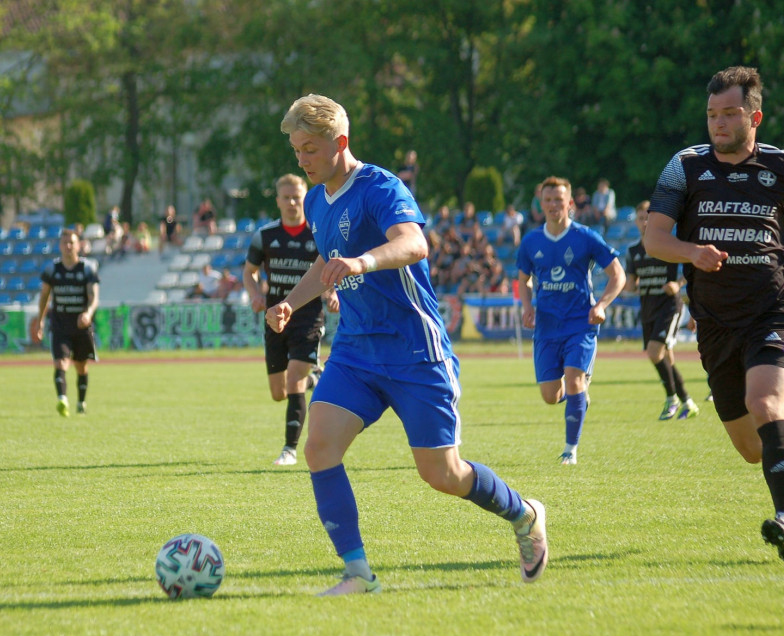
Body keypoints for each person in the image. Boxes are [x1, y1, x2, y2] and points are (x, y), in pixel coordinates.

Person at [267, 93, 547, 595]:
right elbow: (326, 260)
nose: (302, 160)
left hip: (415, 351)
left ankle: (524, 514)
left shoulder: (379, 186)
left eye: (309, 148)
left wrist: (362, 263)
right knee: (319, 446)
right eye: (296, 150)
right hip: (355, 350)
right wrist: (292, 300)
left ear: (340, 142)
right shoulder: (313, 199)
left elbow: (415, 243)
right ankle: (357, 574)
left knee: (442, 474)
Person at [644, 66, 784, 561]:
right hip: (714, 323)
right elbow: (654, 238)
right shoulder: (683, 167)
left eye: (730, 114)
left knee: (763, 403)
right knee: (751, 447)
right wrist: (691, 252)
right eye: (712, 115)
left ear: (755, 116)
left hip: (773, 311)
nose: (718, 124)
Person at [516, 176, 626, 465]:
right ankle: (579, 400)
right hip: (547, 327)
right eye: (548, 200)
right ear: (541, 204)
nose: (553, 205)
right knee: (550, 396)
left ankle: (570, 451)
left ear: (570, 203)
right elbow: (523, 280)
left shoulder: (586, 237)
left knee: (575, 379)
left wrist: (602, 304)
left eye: (558, 200)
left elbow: (618, 274)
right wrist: (527, 305)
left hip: (581, 323)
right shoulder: (531, 241)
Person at [244, 173, 338, 466]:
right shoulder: (265, 235)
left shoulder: (317, 232)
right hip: (275, 319)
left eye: (297, 197)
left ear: (305, 198)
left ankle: (289, 450)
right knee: (278, 392)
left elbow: (329, 269)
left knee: (295, 379)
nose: (292, 202)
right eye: (286, 197)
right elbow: (249, 272)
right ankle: (316, 376)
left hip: (308, 316)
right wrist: (255, 295)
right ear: (278, 201)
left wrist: (333, 293)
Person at [624, 200, 699, 420]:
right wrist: (626, 285)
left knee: (654, 352)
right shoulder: (633, 251)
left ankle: (671, 399)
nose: (645, 222)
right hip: (648, 308)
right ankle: (687, 401)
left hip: (668, 306)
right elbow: (630, 284)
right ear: (636, 222)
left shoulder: (669, 244)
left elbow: (692, 265)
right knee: (666, 358)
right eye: (641, 218)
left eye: (648, 217)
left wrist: (678, 284)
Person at [35, 228, 100, 417]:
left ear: (78, 244)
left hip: (81, 326)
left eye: (72, 242)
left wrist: (88, 313)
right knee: (61, 363)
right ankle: (62, 399)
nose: (68, 246)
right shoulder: (52, 269)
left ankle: (81, 402)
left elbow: (94, 297)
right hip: (60, 325)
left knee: (81, 366)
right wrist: (39, 321)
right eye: (65, 243)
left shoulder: (87, 268)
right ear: (60, 246)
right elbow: (44, 297)